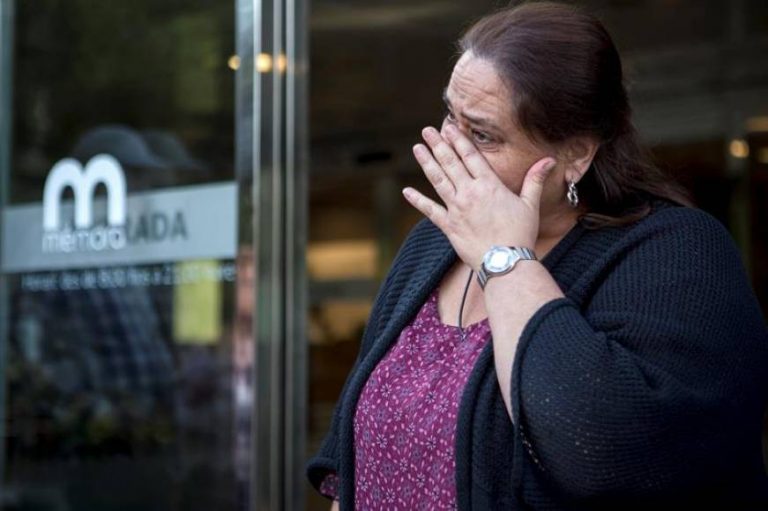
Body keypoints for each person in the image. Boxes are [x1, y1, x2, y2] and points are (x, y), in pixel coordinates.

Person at [305, 2, 768, 510]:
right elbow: (348, 466)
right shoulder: (431, 246)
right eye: (450, 116)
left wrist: (505, 258)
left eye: (482, 134)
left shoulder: (677, 252)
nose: (452, 147)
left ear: (576, 154)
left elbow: (598, 449)